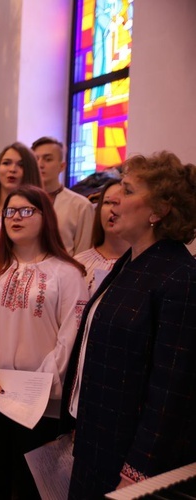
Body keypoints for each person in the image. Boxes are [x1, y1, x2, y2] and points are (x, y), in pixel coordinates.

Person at [63, 152, 196, 497]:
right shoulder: (132, 262)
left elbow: (172, 388)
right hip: (99, 439)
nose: (114, 198)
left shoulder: (179, 275)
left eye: (129, 189)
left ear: (159, 210)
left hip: (129, 461)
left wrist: (138, 469)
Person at [0, 185, 88, 498]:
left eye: (26, 210)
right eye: (10, 211)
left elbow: (70, 338)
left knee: (31, 487)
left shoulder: (68, 273)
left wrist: (39, 386)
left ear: (46, 217)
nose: (15, 217)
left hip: (40, 402)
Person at [32, 136, 94, 256]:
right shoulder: (22, 202)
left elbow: (84, 253)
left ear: (62, 166)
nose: (40, 164)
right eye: (36, 159)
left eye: (48, 159)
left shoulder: (81, 205)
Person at [73, 179, 128, 293]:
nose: (112, 209)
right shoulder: (79, 264)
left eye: (118, 202)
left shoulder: (146, 264)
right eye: (107, 202)